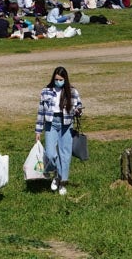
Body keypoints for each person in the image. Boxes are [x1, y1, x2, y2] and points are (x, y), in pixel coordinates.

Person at [34, 66, 83, 196]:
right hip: (51, 124)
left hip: (66, 124)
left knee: (65, 154)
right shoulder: (46, 91)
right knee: (50, 153)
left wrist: (78, 111)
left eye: (61, 79)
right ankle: (56, 173)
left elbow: (79, 107)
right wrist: (38, 130)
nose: (58, 81)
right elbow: (41, 111)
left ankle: (61, 182)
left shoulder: (72, 91)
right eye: (56, 79)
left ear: (65, 79)